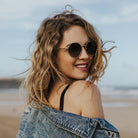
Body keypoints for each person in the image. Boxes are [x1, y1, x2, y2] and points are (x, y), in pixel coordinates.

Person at [17, 7, 120, 138]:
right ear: (53, 54)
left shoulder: (36, 104)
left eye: (90, 47)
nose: (85, 56)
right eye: (74, 49)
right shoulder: (86, 92)